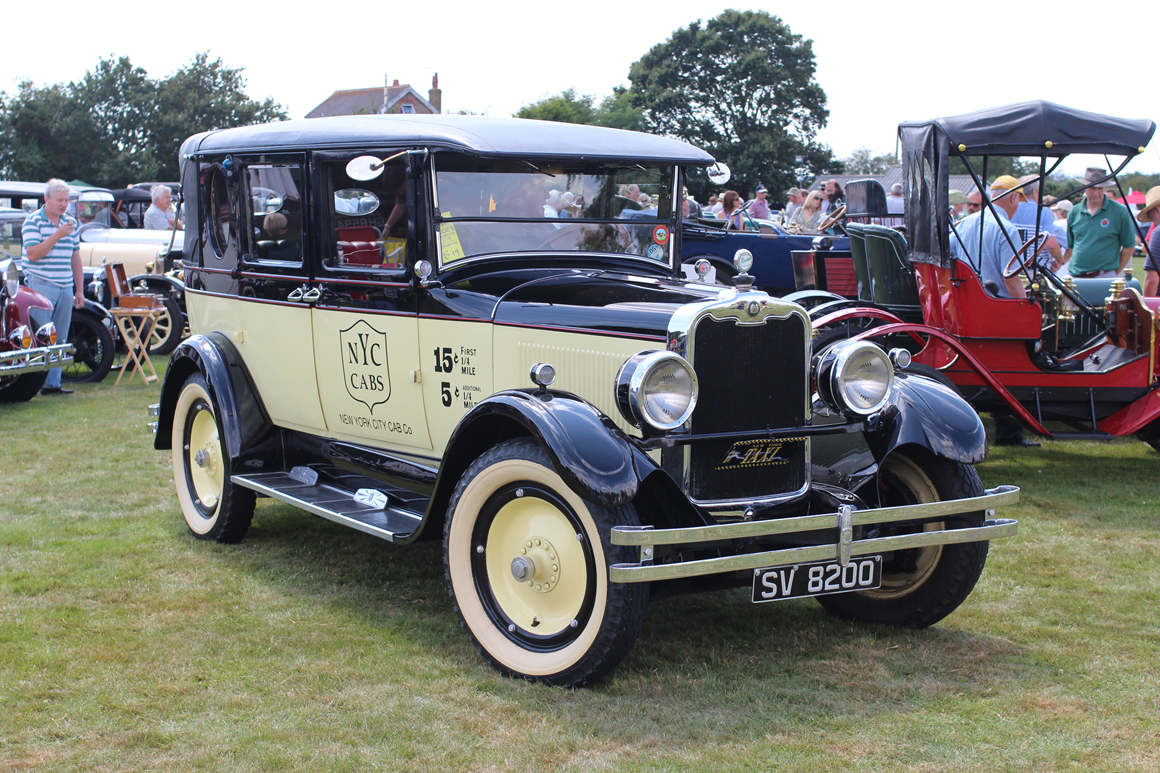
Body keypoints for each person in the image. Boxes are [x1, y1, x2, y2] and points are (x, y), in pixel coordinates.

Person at [950, 178, 1038, 447]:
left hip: (965, 312)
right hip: (996, 311)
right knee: (1015, 368)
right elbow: (1011, 278)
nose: (1017, 208)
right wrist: (1027, 311)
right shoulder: (1006, 228)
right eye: (1018, 203)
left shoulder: (964, 223)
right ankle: (1009, 432)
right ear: (1013, 199)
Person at [21, 178, 84, 395]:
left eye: (66, 200)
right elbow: (33, 254)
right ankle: (34, 384)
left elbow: (76, 258)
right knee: (40, 336)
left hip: (65, 286)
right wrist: (57, 235)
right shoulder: (33, 221)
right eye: (59, 200)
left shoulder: (70, 222)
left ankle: (52, 384)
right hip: (41, 284)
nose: (63, 205)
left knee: (60, 336)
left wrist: (79, 289)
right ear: (46, 199)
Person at [1064, 168, 1135, 278]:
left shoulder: (1119, 211)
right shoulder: (1074, 212)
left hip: (1104, 275)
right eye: (1092, 188)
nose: (1096, 193)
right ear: (1084, 187)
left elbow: (1129, 248)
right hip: (1076, 276)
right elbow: (1072, 246)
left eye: (1100, 188)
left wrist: (1114, 273)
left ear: (1105, 188)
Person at [1010, 174, 1062, 271]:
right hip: (1035, 269)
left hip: (1012, 268)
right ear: (1034, 192)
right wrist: (1059, 260)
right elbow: (1051, 244)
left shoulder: (1010, 208)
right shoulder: (1043, 211)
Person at [1136, 186, 1160, 296]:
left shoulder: (1158, 232)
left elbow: (1152, 280)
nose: (1152, 221)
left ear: (1157, 209)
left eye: (1150, 215)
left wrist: (1146, 308)